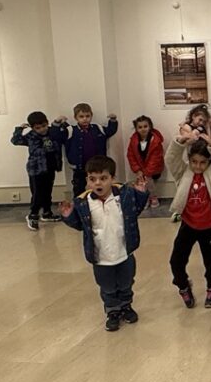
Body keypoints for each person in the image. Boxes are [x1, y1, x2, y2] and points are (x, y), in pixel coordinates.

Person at [59, 156, 149, 332]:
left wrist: (140, 192)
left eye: (103, 178)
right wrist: (68, 215)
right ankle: (112, 311)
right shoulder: (83, 203)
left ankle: (126, 306)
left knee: (126, 283)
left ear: (112, 179)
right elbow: (80, 225)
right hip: (101, 257)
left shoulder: (124, 196)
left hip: (124, 252)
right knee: (107, 287)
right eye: (92, 179)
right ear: (87, 181)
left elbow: (135, 210)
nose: (98, 183)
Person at [165, 129, 211, 309]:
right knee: (176, 261)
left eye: (202, 162)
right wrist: (180, 141)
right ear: (189, 160)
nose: (198, 166)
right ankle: (183, 286)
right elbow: (171, 159)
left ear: (209, 162)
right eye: (194, 161)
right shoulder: (183, 172)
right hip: (188, 226)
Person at [11, 110, 70, 231]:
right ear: (32, 128)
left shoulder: (52, 132)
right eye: (38, 128)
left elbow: (64, 134)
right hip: (36, 169)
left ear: (47, 123)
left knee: (47, 191)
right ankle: (33, 215)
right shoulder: (31, 136)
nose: (42, 129)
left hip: (50, 167)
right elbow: (16, 141)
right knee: (38, 193)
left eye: (44, 126)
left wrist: (62, 123)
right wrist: (19, 129)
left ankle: (47, 213)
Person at [65, 103, 118, 197]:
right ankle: (80, 204)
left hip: (97, 166)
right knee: (79, 188)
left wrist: (113, 120)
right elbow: (57, 136)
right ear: (76, 117)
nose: (85, 119)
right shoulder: (71, 130)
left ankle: (98, 201)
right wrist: (57, 124)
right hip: (80, 167)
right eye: (81, 116)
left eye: (87, 116)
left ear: (91, 116)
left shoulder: (98, 128)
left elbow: (110, 131)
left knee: (98, 186)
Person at [126, 115, 164, 208]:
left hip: (154, 169)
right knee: (141, 182)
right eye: (140, 127)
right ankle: (144, 198)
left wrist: (146, 173)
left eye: (145, 126)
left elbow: (156, 158)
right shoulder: (134, 140)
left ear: (150, 127)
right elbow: (131, 155)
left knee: (149, 181)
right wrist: (137, 170)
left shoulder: (155, 140)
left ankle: (153, 197)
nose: (143, 129)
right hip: (140, 169)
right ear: (136, 129)